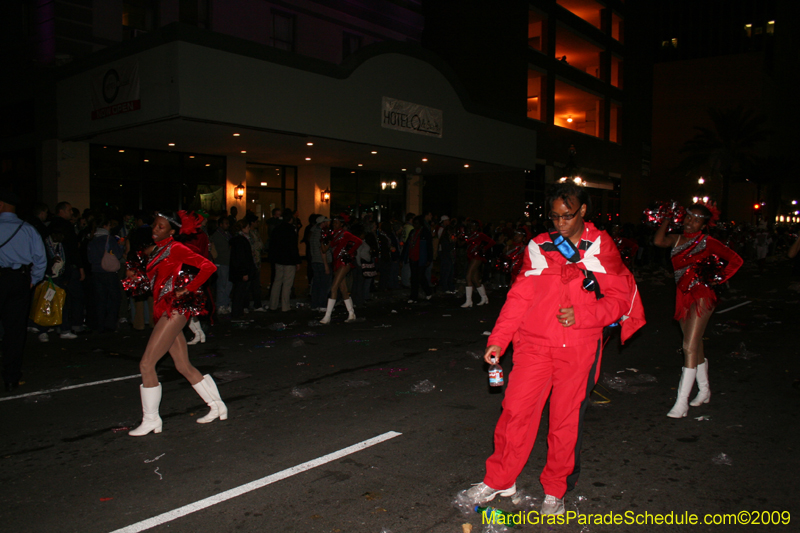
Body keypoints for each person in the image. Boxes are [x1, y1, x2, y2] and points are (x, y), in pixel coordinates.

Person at [460, 182, 645, 515]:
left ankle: (555, 490)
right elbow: (519, 297)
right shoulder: (539, 245)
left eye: (567, 215)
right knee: (514, 412)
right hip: (534, 346)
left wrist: (584, 314)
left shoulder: (601, 246)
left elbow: (620, 301)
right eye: (555, 216)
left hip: (579, 348)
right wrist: (499, 340)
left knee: (564, 422)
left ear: (583, 210)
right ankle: (500, 479)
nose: (560, 223)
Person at [128, 211, 224, 436]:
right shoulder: (157, 250)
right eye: (154, 225)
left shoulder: (175, 248)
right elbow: (155, 280)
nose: (155, 229)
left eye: (161, 227)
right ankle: (217, 405)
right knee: (182, 366)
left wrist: (187, 288)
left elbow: (209, 266)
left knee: (146, 364)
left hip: (174, 310)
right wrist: (136, 279)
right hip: (163, 310)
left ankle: (151, 420)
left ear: (172, 231)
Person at [654, 203, 743, 418]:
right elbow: (658, 241)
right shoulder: (676, 239)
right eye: (688, 217)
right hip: (682, 296)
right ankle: (704, 391)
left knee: (688, 346)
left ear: (704, 224)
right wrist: (667, 218)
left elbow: (736, 260)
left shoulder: (707, 242)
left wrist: (717, 278)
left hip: (702, 295)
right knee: (695, 343)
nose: (690, 221)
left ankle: (681, 402)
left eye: (696, 219)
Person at [0, 190, 47, 392]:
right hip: (19, 279)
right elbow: (40, 259)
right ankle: (11, 376)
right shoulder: (27, 229)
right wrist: (33, 280)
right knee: (15, 330)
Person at [49, 201, 84, 339]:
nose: (71, 212)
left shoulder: (50, 225)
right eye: (69, 210)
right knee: (75, 296)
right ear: (62, 211)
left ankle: (61, 325)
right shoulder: (66, 226)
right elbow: (73, 249)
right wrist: (80, 267)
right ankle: (72, 325)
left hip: (55, 268)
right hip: (67, 267)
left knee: (62, 297)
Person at [319, 217, 362, 324]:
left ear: (342, 224)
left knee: (334, 287)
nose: (334, 224)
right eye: (334, 222)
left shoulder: (345, 234)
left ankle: (327, 316)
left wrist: (348, 253)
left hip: (344, 262)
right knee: (343, 288)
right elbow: (324, 249)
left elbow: (358, 241)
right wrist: (324, 238)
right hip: (336, 263)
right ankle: (351, 313)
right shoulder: (332, 235)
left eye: (337, 222)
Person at [86, 214, 124, 333]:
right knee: (114, 298)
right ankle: (110, 324)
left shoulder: (92, 239)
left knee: (100, 299)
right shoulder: (109, 239)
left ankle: (99, 324)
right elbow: (118, 254)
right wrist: (121, 247)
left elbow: (90, 258)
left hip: (96, 272)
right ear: (105, 226)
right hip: (109, 272)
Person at [269, 208, 301, 312]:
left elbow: (272, 244)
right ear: (290, 219)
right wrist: (297, 261)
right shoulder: (291, 230)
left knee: (277, 282)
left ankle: (273, 304)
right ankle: (285, 306)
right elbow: (293, 247)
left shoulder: (277, 229)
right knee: (287, 284)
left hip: (278, 259)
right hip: (289, 260)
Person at [461, 220, 495, 307]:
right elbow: (462, 244)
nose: (471, 227)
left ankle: (469, 301)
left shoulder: (480, 234)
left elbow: (492, 241)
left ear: (477, 226)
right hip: (470, 256)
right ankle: (484, 297)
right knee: (475, 279)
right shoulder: (469, 234)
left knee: (468, 276)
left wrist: (484, 248)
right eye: (470, 225)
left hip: (477, 256)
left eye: (473, 225)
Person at [229, 220, 254, 319]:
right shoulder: (241, 241)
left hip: (238, 271)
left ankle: (238, 312)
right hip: (241, 271)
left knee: (240, 292)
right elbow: (241, 258)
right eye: (247, 227)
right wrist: (244, 272)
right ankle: (237, 313)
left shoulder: (239, 240)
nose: (249, 229)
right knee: (239, 292)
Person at [406, 215, 433, 303]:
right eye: (414, 223)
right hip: (413, 257)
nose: (415, 225)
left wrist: (429, 259)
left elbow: (429, 246)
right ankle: (413, 296)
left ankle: (428, 292)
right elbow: (407, 244)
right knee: (414, 278)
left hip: (421, 257)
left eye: (417, 223)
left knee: (420, 276)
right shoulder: (412, 232)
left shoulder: (425, 232)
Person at [210, 216, 233, 315]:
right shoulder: (217, 236)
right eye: (225, 223)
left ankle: (225, 303)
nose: (227, 225)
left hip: (227, 262)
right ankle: (220, 305)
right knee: (222, 285)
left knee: (228, 284)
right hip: (221, 262)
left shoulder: (227, 234)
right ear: (220, 225)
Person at [309, 215, 331, 311]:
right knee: (324, 284)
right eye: (326, 222)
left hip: (315, 260)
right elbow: (323, 250)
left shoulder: (313, 232)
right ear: (323, 223)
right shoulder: (322, 234)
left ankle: (314, 304)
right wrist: (326, 265)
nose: (328, 223)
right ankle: (322, 305)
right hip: (322, 261)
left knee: (316, 284)